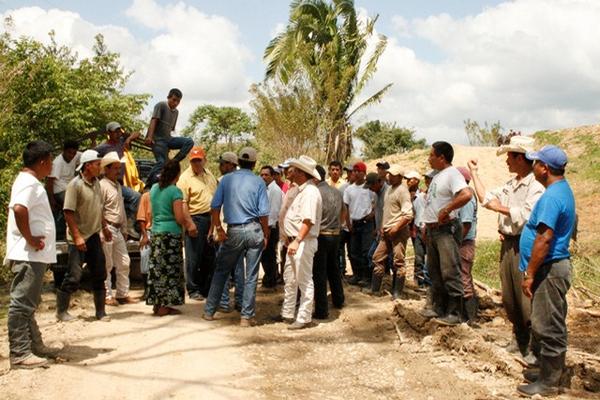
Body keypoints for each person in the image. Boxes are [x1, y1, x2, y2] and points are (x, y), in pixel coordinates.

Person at [468, 135, 545, 357]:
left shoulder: (536, 187)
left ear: (520, 158)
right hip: (509, 243)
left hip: (524, 243)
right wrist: (474, 173)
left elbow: (528, 216)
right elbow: (485, 198)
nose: (506, 162)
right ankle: (518, 337)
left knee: (525, 295)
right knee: (510, 294)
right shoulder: (511, 185)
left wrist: (500, 209)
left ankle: (532, 344)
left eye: (510, 157)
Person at [516, 145, 575, 397]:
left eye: (536, 163)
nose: (533, 166)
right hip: (551, 267)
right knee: (550, 321)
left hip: (549, 269)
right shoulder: (560, 190)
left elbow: (544, 238)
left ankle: (550, 383)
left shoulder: (552, 197)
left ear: (544, 168)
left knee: (547, 325)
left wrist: (529, 273)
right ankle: (547, 372)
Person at [6, 140, 60, 369]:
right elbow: (19, 209)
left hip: (33, 255)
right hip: (28, 254)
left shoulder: (30, 182)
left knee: (28, 303)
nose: (51, 167)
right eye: (50, 162)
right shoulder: (29, 183)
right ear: (42, 161)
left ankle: (34, 346)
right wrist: (29, 237)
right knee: (21, 304)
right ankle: (19, 352)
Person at [204, 147, 270, 327]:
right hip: (254, 229)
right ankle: (246, 317)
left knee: (221, 271)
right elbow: (264, 213)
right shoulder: (259, 182)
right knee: (251, 275)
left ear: (238, 162)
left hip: (233, 230)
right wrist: (266, 233)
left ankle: (209, 311)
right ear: (254, 163)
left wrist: (219, 228)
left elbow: (215, 207)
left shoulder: (226, 180)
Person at [420, 141, 472, 326]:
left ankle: (455, 312)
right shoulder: (438, 176)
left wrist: (448, 208)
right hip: (434, 230)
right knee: (435, 272)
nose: (429, 158)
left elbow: (467, 194)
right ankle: (438, 307)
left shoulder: (452, 174)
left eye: (431, 155)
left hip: (446, 230)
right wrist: (427, 226)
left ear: (442, 157)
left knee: (450, 271)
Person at [56, 149, 110, 322]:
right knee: (74, 276)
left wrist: (105, 227)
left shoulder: (97, 183)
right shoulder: (75, 185)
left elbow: (99, 207)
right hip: (77, 237)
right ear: (88, 166)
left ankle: (100, 312)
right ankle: (62, 311)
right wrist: (77, 237)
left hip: (93, 234)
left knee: (99, 272)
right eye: (97, 164)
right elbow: (68, 213)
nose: (100, 166)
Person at [147, 160, 198, 316]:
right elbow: (178, 217)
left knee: (157, 269)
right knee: (170, 270)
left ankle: (157, 303)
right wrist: (186, 226)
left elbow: (151, 212)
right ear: (177, 173)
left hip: (156, 232)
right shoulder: (175, 192)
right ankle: (165, 306)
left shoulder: (154, 189)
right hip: (170, 234)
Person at [279, 156, 322, 329]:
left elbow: (308, 220)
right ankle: (288, 312)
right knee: (290, 278)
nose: (292, 172)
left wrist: (297, 240)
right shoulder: (302, 190)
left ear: (302, 173)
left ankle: (304, 317)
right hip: (295, 241)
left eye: (295, 169)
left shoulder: (310, 193)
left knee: (304, 280)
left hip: (302, 241)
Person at [176, 146, 218, 300]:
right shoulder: (185, 178)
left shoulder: (210, 175)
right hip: (195, 219)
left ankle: (205, 288)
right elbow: (183, 203)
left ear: (204, 160)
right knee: (193, 256)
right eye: (194, 160)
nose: (196, 163)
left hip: (210, 219)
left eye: (199, 160)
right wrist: (189, 224)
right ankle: (193, 289)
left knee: (209, 255)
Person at [371, 165, 413, 299]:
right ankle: (375, 290)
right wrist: (383, 226)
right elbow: (387, 211)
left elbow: (408, 215)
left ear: (400, 177)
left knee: (398, 261)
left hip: (398, 231)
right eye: (389, 174)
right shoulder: (389, 190)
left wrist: (395, 228)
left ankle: (397, 294)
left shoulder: (402, 191)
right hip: (387, 231)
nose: (390, 176)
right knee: (377, 258)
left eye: (393, 175)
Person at [99, 152, 136, 306]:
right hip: (107, 227)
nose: (118, 171)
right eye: (115, 168)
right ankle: (107, 295)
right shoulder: (102, 186)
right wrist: (103, 228)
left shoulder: (118, 186)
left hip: (117, 228)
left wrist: (125, 229)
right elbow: (99, 209)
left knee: (124, 261)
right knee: (107, 263)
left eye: (118, 168)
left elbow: (120, 208)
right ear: (106, 169)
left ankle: (122, 293)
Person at [313, 164, 345, 319]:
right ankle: (339, 300)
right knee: (334, 269)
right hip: (336, 234)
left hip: (321, 235)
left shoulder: (316, 193)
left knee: (319, 273)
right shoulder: (337, 192)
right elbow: (344, 212)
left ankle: (321, 310)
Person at [144, 88, 194, 186]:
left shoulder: (176, 112)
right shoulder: (161, 105)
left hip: (168, 139)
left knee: (189, 142)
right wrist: (149, 137)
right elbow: (154, 121)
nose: (175, 103)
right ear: (168, 97)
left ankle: (173, 162)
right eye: (174, 100)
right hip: (157, 140)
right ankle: (148, 183)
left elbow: (171, 129)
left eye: (178, 101)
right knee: (161, 162)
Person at [95, 122, 141, 222]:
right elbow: (93, 159)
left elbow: (137, 133)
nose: (118, 134)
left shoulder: (121, 141)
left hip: (119, 182)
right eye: (115, 132)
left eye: (119, 132)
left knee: (135, 197)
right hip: (107, 182)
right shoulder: (102, 148)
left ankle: (129, 223)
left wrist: (128, 139)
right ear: (109, 133)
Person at [343, 161, 376, 286]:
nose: (355, 173)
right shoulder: (349, 189)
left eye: (358, 171)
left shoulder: (369, 188)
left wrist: (372, 215)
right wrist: (348, 223)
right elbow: (346, 208)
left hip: (367, 223)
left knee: (366, 251)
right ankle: (357, 275)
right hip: (354, 223)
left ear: (364, 173)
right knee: (354, 251)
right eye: (354, 171)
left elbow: (375, 205)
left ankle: (367, 277)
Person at [46, 140, 81, 240]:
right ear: (64, 151)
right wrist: (51, 199)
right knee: (73, 205)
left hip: (70, 188)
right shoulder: (58, 163)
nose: (71, 155)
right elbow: (50, 182)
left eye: (74, 153)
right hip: (59, 191)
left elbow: (88, 156)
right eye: (69, 152)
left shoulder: (76, 155)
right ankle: (72, 231)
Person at [456, 166, 478, 325]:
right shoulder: (462, 196)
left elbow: (466, 224)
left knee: (464, 278)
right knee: (461, 277)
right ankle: (463, 315)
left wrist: (455, 242)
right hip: (461, 241)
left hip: (464, 243)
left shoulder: (467, 197)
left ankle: (470, 318)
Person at [363, 172, 388, 294]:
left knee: (377, 257)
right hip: (379, 232)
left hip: (389, 232)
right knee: (372, 256)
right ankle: (377, 285)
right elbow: (378, 212)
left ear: (378, 182)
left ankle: (379, 287)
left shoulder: (388, 193)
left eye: (371, 186)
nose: (371, 190)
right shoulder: (377, 194)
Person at [259, 165, 283, 288]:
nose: (263, 177)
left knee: (269, 254)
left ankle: (271, 279)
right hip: (264, 226)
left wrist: (266, 231)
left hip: (271, 228)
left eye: (266, 175)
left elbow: (273, 212)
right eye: (261, 174)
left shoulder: (275, 191)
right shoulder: (264, 189)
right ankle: (270, 277)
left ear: (272, 176)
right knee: (265, 254)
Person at [412, 171, 434, 289]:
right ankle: (418, 281)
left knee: (430, 258)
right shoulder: (419, 198)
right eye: (427, 179)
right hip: (420, 229)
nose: (428, 181)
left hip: (430, 231)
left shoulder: (435, 198)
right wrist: (414, 229)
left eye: (430, 179)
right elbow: (415, 213)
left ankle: (429, 283)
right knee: (418, 257)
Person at [137, 187, 152, 301]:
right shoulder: (146, 196)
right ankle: (146, 289)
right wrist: (145, 235)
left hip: (161, 231)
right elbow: (141, 218)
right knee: (145, 257)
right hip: (149, 231)